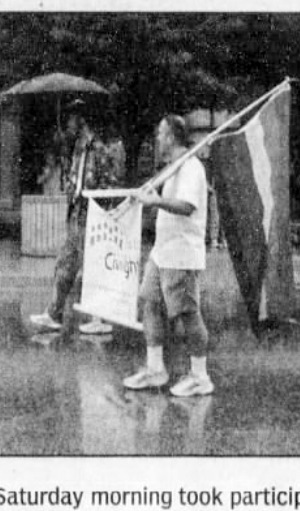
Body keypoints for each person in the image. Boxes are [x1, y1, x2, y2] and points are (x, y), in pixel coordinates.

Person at [123, 115, 211, 397]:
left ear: (172, 137)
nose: (157, 139)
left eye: (161, 134)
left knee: (187, 313)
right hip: (163, 252)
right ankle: (155, 369)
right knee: (149, 301)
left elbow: (186, 206)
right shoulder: (174, 168)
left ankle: (200, 376)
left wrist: (155, 200)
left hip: (182, 254)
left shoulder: (192, 168)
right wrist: (149, 198)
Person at [29, 111, 122, 334]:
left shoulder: (98, 149)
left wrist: (101, 207)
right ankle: (54, 313)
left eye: (70, 120)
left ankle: (98, 317)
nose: (67, 125)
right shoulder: (77, 149)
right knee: (66, 263)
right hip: (77, 213)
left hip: (92, 215)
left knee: (93, 265)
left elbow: (110, 183)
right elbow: (75, 179)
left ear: (82, 121)